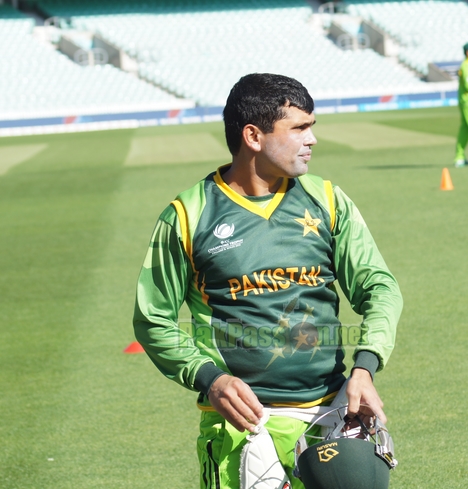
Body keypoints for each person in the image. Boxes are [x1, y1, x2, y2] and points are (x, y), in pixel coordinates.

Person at [133, 73, 402, 489]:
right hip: (243, 426)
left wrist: (365, 367)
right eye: (298, 128)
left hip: (331, 416)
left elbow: (379, 287)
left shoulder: (327, 200)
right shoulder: (188, 215)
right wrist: (210, 378)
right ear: (254, 136)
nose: (312, 140)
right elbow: (154, 319)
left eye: (311, 127)